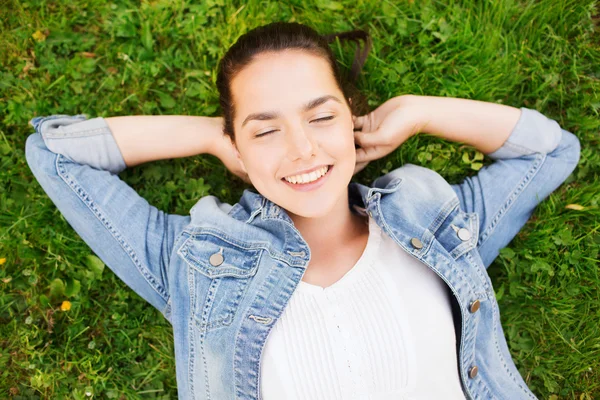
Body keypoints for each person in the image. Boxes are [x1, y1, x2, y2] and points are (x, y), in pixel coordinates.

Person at [24, 21, 580, 400]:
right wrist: (212, 136)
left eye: (321, 117)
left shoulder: (430, 221)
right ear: (238, 147)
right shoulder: (196, 263)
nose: (302, 150)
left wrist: (417, 111)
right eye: (266, 129)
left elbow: (551, 151)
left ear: (353, 118)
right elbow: (57, 155)